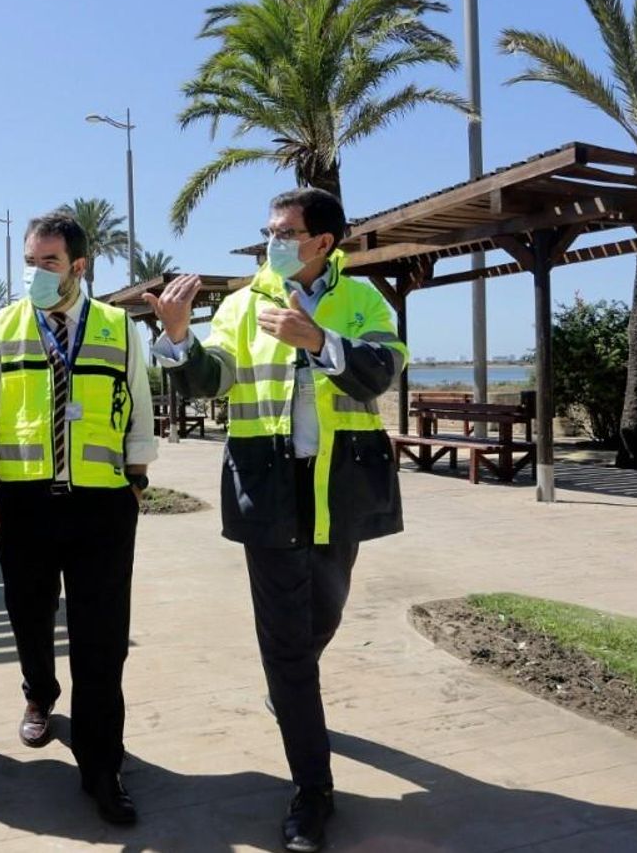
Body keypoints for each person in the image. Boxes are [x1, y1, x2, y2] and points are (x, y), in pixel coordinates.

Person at [145, 188, 406, 853]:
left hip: (338, 489)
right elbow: (213, 379)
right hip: (268, 488)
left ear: (325, 241)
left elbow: (381, 373)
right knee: (289, 647)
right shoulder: (241, 305)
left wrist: (319, 340)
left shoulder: (365, 299)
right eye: (269, 230)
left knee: (324, 615)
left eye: (287, 231)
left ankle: (289, 687)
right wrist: (180, 339)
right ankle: (313, 792)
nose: (274, 242)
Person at [0, 212, 157, 826]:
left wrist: (137, 478)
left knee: (102, 638)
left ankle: (103, 768)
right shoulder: (2, 328)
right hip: (25, 501)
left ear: (79, 266)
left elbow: (140, 407)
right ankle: (40, 695)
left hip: (102, 505)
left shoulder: (120, 328)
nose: (35, 274)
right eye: (30, 262)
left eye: (48, 262)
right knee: (29, 613)